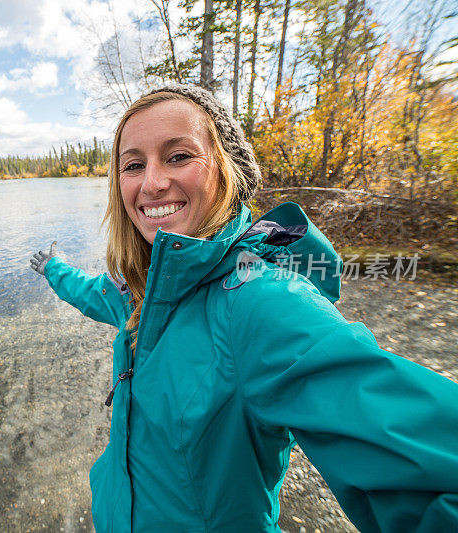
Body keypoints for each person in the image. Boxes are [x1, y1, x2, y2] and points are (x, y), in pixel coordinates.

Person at [29, 84, 458, 532]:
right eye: (133, 165)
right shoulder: (143, 293)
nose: (152, 182)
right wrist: (54, 268)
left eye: (178, 156)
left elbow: (428, 477)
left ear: (227, 171)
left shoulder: (261, 301)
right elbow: (93, 292)